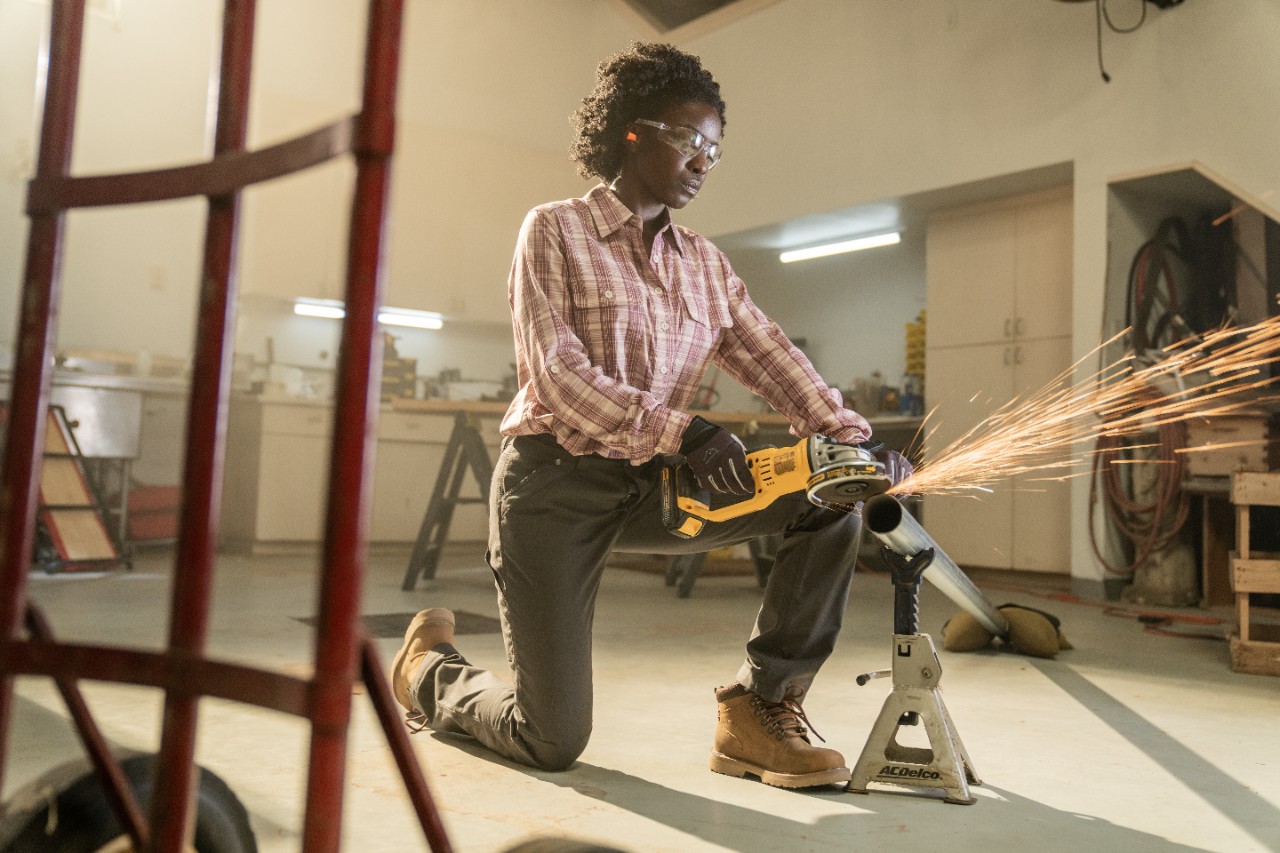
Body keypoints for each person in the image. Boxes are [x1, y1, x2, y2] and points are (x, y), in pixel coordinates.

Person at [391, 42, 910, 789]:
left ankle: (761, 708)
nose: (703, 161)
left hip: (656, 486)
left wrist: (853, 443)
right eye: (689, 139)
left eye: (714, 151)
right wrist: (684, 430)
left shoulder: (705, 263)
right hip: (554, 488)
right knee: (550, 737)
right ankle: (429, 670)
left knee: (831, 499)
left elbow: (772, 356)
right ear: (632, 131)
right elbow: (558, 376)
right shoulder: (554, 230)